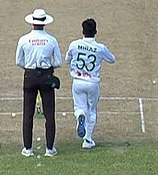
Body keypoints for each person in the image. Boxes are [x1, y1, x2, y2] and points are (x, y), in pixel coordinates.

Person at [15, 9, 62, 158]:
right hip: (46, 76)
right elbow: (58, 62)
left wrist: (30, 69)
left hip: (29, 76)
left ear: (33, 22)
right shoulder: (52, 40)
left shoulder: (24, 39)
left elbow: (18, 61)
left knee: (28, 114)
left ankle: (28, 148)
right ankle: (50, 148)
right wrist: (47, 69)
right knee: (49, 114)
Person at [65, 18, 116, 150]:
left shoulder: (74, 44)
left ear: (82, 31)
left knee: (79, 107)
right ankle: (87, 139)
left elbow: (67, 60)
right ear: (95, 32)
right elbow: (112, 59)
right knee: (92, 110)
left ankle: (80, 116)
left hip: (78, 81)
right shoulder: (100, 48)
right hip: (93, 83)